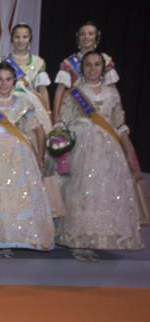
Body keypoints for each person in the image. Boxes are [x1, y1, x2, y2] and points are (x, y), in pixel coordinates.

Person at [55, 51, 143, 260]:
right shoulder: (73, 93)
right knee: (80, 192)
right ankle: (78, 241)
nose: (92, 69)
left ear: (103, 68)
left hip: (107, 149)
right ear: (82, 68)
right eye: (88, 65)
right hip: (81, 147)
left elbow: (119, 124)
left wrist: (128, 150)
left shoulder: (112, 94)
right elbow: (63, 123)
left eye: (97, 65)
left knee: (103, 192)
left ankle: (98, 238)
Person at [0, 63, 54, 257]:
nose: (3, 84)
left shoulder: (24, 104)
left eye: (8, 79)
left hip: (21, 157)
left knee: (20, 197)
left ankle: (21, 237)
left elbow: (39, 131)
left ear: (14, 81)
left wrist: (40, 155)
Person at [51, 21, 119, 123]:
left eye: (90, 34)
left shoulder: (106, 60)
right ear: (78, 37)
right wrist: (55, 118)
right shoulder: (69, 63)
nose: (86, 37)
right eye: (83, 34)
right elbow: (59, 92)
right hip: (76, 112)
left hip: (101, 112)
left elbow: (113, 90)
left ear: (97, 37)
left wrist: (118, 115)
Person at [0, 23, 52, 132]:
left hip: (31, 104)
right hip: (6, 102)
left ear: (30, 39)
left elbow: (42, 89)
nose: (20, 40)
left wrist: (48, 111)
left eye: (25, 37)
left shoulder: (38, 62)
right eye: (17, 37)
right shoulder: (1, 61)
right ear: (12, 39)